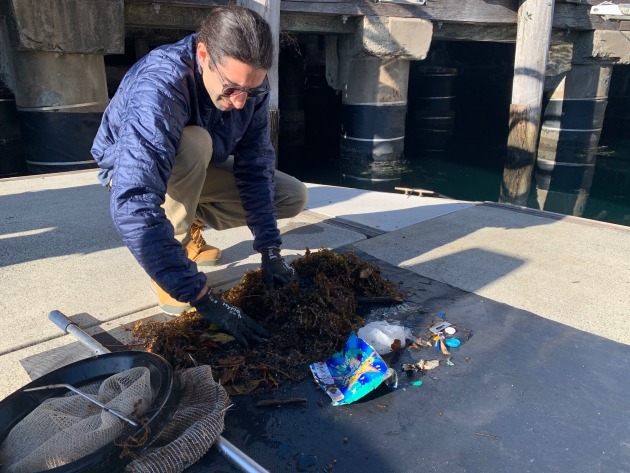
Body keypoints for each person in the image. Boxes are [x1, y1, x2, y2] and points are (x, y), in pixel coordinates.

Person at [91, 6, 308, 347]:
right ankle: (171, 256)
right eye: (231, 88)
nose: (240, 103)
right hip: (133, 169)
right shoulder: (159, 86)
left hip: (195, 166)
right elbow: (134, 201)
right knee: (195, 142)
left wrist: (270, 250)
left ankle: (189, 221)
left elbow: (255, 166)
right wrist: (200, 294)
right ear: (204, 55)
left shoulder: (250, 88)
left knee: (292, 195)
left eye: (251, 91)